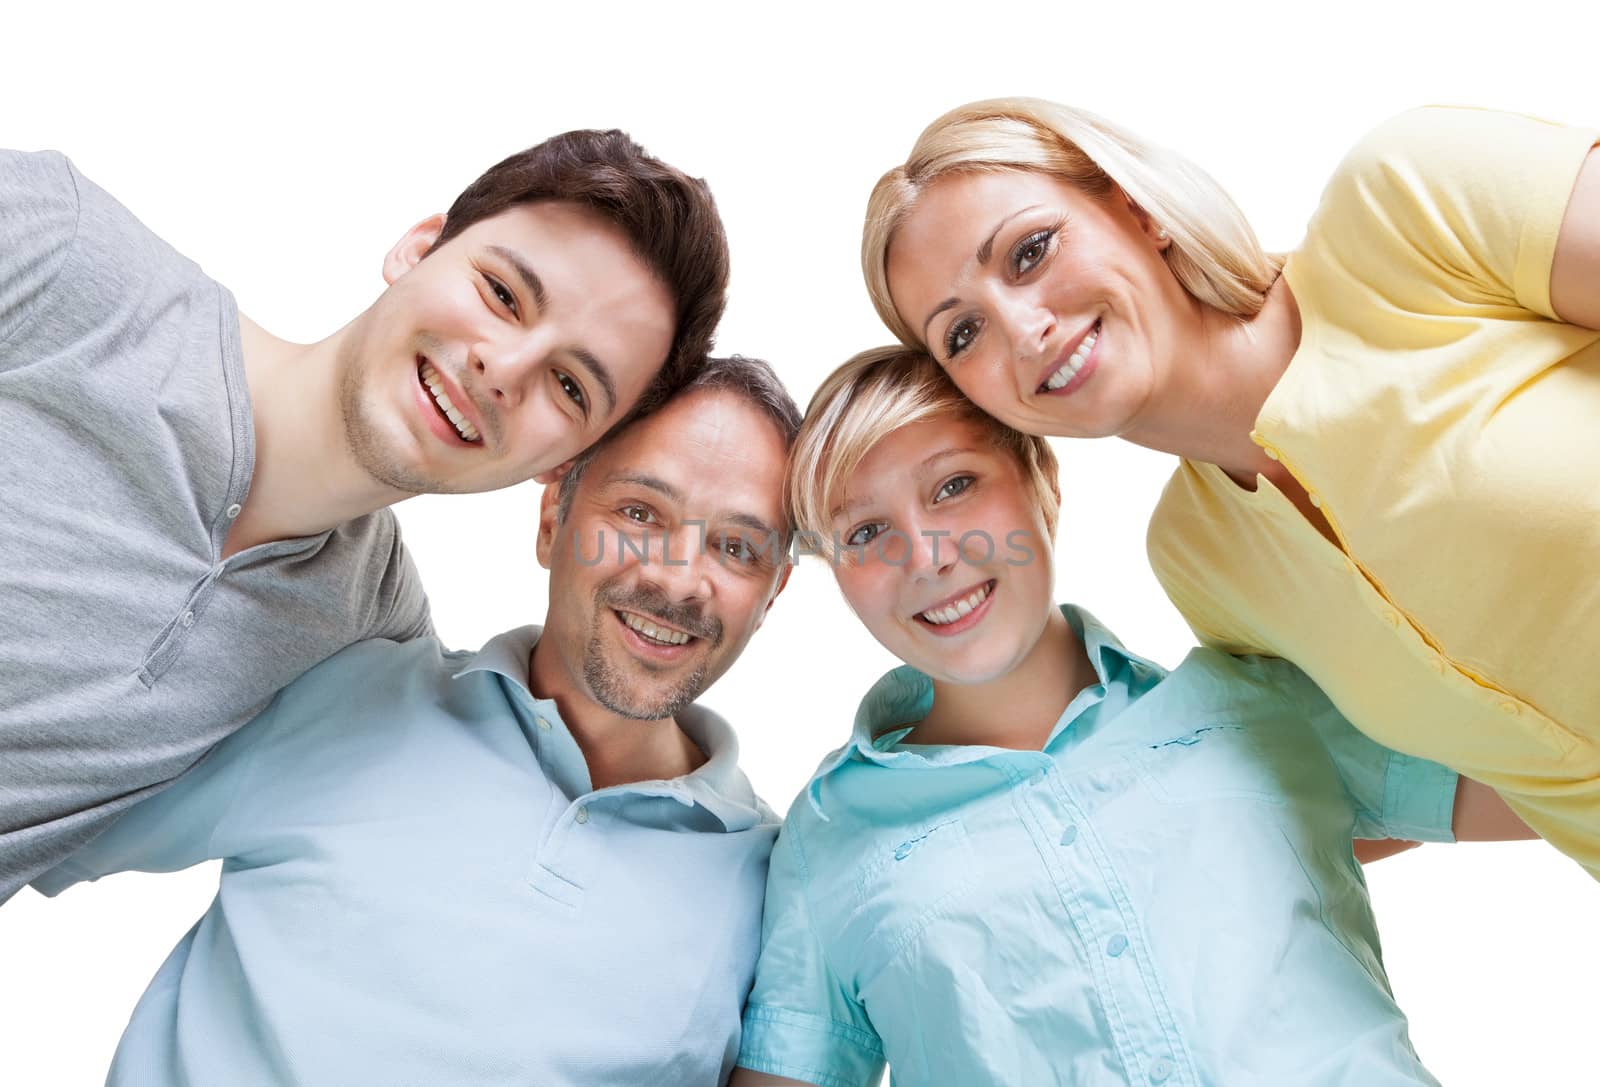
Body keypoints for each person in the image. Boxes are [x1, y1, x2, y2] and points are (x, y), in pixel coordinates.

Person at [730, 347, 1530, 1087]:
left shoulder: (1258, 703)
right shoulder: (828, 837)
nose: (927, 555)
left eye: (954, 485)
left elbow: (1561, 772)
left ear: (1041, 477)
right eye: (865, 532)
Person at [859, 100, 1600, 878]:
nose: (1020, 328)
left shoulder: (1406, 203)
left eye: (1029, 252)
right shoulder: (1201, 560)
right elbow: (1420, 786)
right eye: (963, 334)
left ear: (1137, 211)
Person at [0, 129, 730, 901]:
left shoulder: (370, 639)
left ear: (562, 464)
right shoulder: (62, 251)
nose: (503, 368)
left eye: (572, 387)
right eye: (503, 294)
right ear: (417, 249)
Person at [31, 355, 799, 1085]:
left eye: (736, 547)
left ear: (774, 595)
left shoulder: (781, 894)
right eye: (639, 511)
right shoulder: (351, 692)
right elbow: (44, 808)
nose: (677, 578)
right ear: (550, 517)